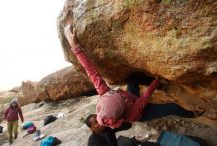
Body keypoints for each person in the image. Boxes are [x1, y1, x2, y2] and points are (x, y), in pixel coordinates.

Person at [64, 25, 205, 129]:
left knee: (132, 78)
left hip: (131, 97)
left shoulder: (105, 94)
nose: (115, 93)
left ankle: (162, 86)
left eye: (114, 94)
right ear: (121, 110)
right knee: (172, 107)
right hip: (143, 112)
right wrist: (156, 81)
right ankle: (193, 114)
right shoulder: (131, 114)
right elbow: (145, 98)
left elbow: (91, 71)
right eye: (118, 96)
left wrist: (74, 45)